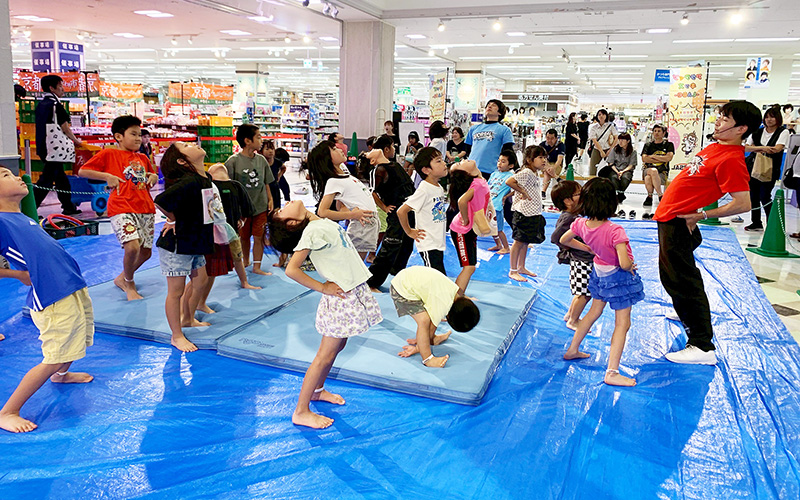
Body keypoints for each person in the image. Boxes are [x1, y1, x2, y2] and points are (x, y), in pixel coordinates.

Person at [655, 100, 761, 365]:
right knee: (674, 276)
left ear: (741, 129)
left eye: (725, 120)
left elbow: (743, 203)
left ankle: (702, 346)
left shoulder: (731, 160)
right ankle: (686, 313)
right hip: (672, 216)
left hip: (679, 220)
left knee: (683, 280)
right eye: (720, 116)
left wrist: (702, 214)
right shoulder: (716, 146)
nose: (718, 122)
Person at [267, 200, 383, 429]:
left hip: (351, 291)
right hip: (341, 296)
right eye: (282, 210)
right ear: (292, 223)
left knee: (337, 348)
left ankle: (317, 391)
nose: (287, 203)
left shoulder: (318, 224)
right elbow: (292, 269)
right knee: (324, 355)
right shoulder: (312, 231)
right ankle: (300, 411)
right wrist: (322, 287)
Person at [0, 167, 94, 433]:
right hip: (52, 296)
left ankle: (61, 375)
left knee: (78, 335)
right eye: (6, 176)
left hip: (71, 287)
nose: (18, 177)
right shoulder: (1, 222)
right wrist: (17, 274)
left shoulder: (22, 217)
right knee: (54, 354)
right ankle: (8, 411)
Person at [559, 177, 644, 387]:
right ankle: (612, 372)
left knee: (593, 313)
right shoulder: (615, 231)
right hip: (618, 277)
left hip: (599, 272)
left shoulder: (580, 223)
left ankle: (572, 349)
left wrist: (588, 248)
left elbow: (564, 240)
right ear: (611, 203)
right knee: (622, 323)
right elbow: (624, 263)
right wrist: (630, 265)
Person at [78, 115, 159, 301]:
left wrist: (152, 176)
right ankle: (129, 282)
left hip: (145, 207)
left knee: (146, 252)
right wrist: (107, 176)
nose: (138, 138)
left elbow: (149, 174)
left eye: (140, 134)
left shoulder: (142, 157)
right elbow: (83, 171)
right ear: (118, 136)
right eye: (133, 134)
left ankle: (122, 277)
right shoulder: (109, 154)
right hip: (121, 206)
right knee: (132, 247)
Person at [154, 142, 216, 353]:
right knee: (176, 291)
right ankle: (176, 335)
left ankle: (188, 318)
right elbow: (161, 200)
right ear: (182, 161)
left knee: (201, 280)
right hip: (177, 245)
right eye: (186, 146)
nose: (194, 143)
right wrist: (171, 220)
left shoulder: (203, 178)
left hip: (195, 241)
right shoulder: (189, 182)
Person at [392, 266, 480, 368]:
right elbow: (430, 328)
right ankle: (428, 359)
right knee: (424, 321)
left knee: (432, 318)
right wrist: (418, 347)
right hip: (401, 289)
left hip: (409, 278)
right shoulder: (443, 304)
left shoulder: (456, 293)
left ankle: (432, 340)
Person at [309, 141, 378, 260]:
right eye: (335, 149)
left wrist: (350, 212)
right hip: (363, 224)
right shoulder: (333, 181)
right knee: (354, 266)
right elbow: (322, 212)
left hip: (368, 222)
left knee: (354, 266)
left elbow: (340, 206)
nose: (341, 150)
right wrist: (352, 214)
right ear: (328, 158)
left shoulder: (344, 173)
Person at [365, 135, 416, 290]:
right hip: (396, 212)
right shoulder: (379, 170)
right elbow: (373, 192)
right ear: (386, 149)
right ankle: (372, 281)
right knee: (390, 245)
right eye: (393, 146)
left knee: (407, 245)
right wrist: (384, 207)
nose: (394, 149)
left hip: (409, 210)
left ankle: (398, 273)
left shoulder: (395, 165)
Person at [225, 124, 274, 276]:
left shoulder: (261, 160)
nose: (261, 140)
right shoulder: (233, 162)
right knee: (244, 237)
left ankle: (257, 266)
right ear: (247, 141)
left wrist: (270, 199)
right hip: (242, 209)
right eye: (258, 137)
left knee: (259, 236)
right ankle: (245, 261)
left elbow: (266, 182)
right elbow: (228, 186)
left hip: (260, 205)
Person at [206, 164, 260, 291]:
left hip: (227, 231)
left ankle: (244, 282)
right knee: (234, 258)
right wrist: (243, 220)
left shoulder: (233, 186)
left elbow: (247, 208)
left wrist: (242, 220)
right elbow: (248, 208)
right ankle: (244, 282)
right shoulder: (213, 186)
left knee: (236, 257)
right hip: (219, 231)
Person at [33, 74, 81, 215]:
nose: (63, 89)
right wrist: (76, 141)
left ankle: (68, 206)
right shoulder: (56, 105)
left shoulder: (41, 105)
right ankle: (31, 208)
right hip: (55, 148)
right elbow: (65, 127)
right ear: (51, 88)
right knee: (46, 180)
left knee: (60, 178)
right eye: (60, 86)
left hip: (44, 145)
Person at [397, 147, 449, 275]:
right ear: (426, 170)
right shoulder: (424, 189)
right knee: (437, 277)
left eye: (442, 160)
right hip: (428, 243)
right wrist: (409, 231)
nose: (444, 163)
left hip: (437, 242)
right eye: (438, 161)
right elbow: (401, 211)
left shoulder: (438, 187)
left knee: (438, 277)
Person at [550, 180, 593, 330]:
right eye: (578, 194)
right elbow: (556, 238)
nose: (582, 196)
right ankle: (573, 321)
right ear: (568, 201)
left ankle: (570, 314)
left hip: (580, 258)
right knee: (585, 293)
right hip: (582, 260)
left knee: (582, 291)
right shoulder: (570, 218)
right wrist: (584, 248)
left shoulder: (574, 214)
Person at [448, 159, 490, 296]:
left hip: (469, 231)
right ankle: (455, 298)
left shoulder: (478, 180)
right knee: (469, 267)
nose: (463, 159)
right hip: (462, 231)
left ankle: (460, 293)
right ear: (465, 173)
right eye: (460, 164)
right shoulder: (476, 185)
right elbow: (462, 201)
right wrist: (465, 219)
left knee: (470, 266)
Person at [744, 106, 790, 231]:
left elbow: (778, 149)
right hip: (754, 168)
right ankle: (756, 222)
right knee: (753, 196)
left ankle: (772, 223)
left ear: (778, 118)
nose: (769, 120)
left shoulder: (783, 132)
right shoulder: (757, 131)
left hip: (770, 169)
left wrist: (757, 148)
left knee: (765, 196)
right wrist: (765, 149)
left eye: (772, 117)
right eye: (767, 117)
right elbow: (746, 147)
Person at [506, 145, 548, 282]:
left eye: (545, 157)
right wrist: (522, 192)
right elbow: (509, 181)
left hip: (532, 212)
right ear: (530, 159)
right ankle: (513, 270)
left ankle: (521, 267)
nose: (544, 160)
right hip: (523, 213)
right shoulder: (527, 172)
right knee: (518, 242)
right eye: (540, 157)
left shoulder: (534, 173)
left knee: (525, 241)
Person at [465, 99, 515, 180]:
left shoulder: (504, 130)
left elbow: (508, 151)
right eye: (488, 104)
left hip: (492, 171)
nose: (489, 106)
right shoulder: (474, 128)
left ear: (500, 112)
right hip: (471, 169)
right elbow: (467, 149)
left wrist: (515, 169)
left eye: (494, 105)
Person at [600, 132, 638, 214]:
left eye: (623, 140)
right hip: (615, 169)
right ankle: (620, 195)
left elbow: (631, 165)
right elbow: (610, 163)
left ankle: (620, 194)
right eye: (619, 140)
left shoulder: (633, 151)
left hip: (627, 170)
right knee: (613, 178)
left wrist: (623, 171)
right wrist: (617, 171)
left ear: (628, 141)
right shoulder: (615, 149)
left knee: (625, 178)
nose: (620, 142)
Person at [486, 150, 516, 255]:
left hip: (497, 206)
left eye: (503, 161)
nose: (499, 163)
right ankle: (498, 245)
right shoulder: (494, 174)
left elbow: (516, 189)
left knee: (499, 229)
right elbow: (487, 187)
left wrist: (506, 197)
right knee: (491, 227)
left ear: (511, 165)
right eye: (499, 160)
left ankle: (506, 247)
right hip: (489, 204)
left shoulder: (511, 176)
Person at [641, 124, 675, 208]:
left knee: (649, 178)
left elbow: (669, 158)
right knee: (653, 171)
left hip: (662, 171)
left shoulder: (669, 145)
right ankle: (660, 195)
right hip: (647, 169)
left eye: (659, 131)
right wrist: (661, 158)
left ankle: (649, 197)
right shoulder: (648, 145)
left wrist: (653, 156)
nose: (656, 133)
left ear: (664, 133)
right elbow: (644, 159)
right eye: (655, 131)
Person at [588, 109, 618, 177]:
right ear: (597, 116)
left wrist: (610, 150)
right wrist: (601, 151)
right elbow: (594, 140)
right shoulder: (594, 127)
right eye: (599, 114)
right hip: (597, 149)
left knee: (611, 168)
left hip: (608, 149)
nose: (601, 116)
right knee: (593, 169)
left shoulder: (611, 127)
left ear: (606, 116)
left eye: (603, 114)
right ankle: (592, 183)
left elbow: (616, 138)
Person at [261, 140, 288, 210]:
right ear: (261, 151)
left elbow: (283, 168)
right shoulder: (260, 162)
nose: (270, 151)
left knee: (276, 208)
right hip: (264, 189)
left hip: (275, 188)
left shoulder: (276, 161)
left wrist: (279, 176)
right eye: (267, 149)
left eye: (272, 149)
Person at [540, 128, 565, 197]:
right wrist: (548, 166)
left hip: (556, 165)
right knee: (546, 168)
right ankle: (557, 178)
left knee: (547, 172)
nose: (549, 140)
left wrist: (553, 167)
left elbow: (559, 159)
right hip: (545, 164)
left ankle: (543, 191)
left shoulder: (561, 145)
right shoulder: (542, 145)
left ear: (556, 138)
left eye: (552, 138)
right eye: (547, 138)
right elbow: (542, 159)